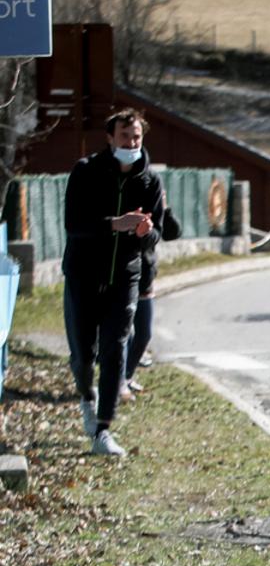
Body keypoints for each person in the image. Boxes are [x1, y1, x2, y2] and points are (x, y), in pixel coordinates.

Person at [62, 108, 164, 456]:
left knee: (115, 348)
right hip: (83, 275)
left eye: (136, 137)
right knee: (83, 354)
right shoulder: (86, 172)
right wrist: (114, 224)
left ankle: (103, 430)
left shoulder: (149, 181)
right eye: (125, 137)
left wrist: (146, 232)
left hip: (125, 277)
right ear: (110, 138)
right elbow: (74, 225)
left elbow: (157, 236)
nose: (132, 143)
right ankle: (86, 397)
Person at [122, 202, 182, 400]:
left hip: (145, 278)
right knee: (123, 334)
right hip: (122, 276)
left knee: (144, 334)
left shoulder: (153, 199)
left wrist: (165, 208)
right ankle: (119, 381)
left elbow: (172, 233)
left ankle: (127, 377)